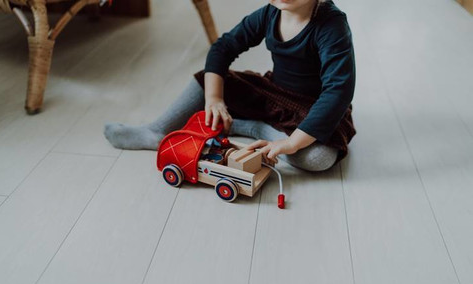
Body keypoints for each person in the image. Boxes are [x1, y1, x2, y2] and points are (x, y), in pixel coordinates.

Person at [104, 0, 356, 171]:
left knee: (318, 158)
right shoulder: (270, 13)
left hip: (314, 107)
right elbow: (223, 48)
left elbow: (338, 90)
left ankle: (256, 130)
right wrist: (214, 98)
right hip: (273, 92)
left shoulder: (331, 25)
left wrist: (291, 144)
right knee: (209, 77)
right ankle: (157, 131)